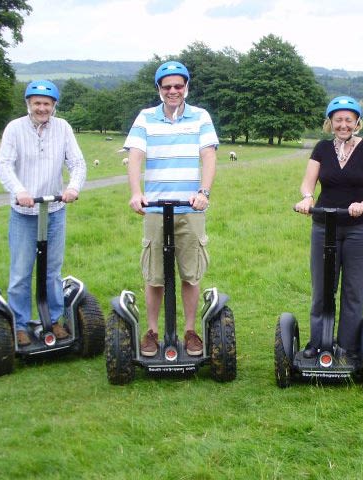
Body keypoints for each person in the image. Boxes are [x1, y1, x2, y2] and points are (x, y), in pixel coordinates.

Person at [124, 60, 218, 357]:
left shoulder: (200, 117)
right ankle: (152, 332)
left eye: (178, 86)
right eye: (167, 87)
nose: (173, 91)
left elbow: (209, 156)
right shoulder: (145, 118)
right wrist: (137, 193)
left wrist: (203, 192)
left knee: (191, 274)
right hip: (154, 210)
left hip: (190, 209)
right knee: (154, 276)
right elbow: (136, 156)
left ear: (186, 87)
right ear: (159, 90)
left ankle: (190, 331)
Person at [294, 96, 363, 359]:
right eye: (338, 120)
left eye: (348, 120)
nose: (343, 125)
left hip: (361, 229)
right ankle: (318, 342)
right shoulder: (322, 149)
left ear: (357, 122)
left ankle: (347, 346)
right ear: (330, 122)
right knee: (322, 287)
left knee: (353, 291)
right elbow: (308, 182)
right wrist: (307, 197)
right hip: (325, 225)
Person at [0, 80, 86, 347]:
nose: (42, 108)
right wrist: (19, 190)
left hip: (54, 209)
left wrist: (73, 187)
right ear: (28, 104)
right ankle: (21, 325)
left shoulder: (63, 128)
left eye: (47, 104)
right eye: (37, 103)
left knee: (52, 271)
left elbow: (78, 163)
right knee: (21, 272)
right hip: (24, 211)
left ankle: (53, 320)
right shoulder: (15, 128)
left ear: (54, 106)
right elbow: (4, 166)